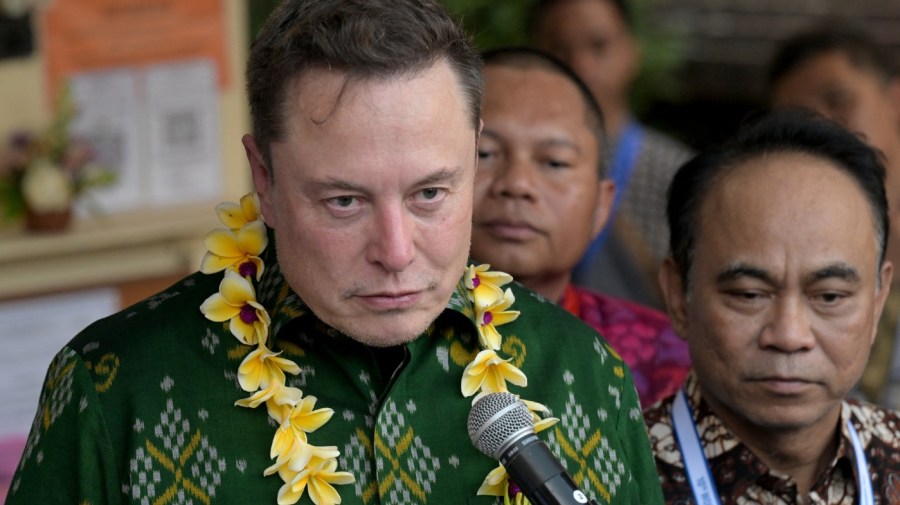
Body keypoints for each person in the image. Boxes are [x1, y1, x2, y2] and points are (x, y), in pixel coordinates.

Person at [7, 1, 664, 504]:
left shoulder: (583, 372)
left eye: (430, 192)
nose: (396, 251)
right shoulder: (115, 385)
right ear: (262, 178)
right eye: (344, 202)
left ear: (473, 155)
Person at [644, 109, 900, 503]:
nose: (789, 336)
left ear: (878, 301)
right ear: (679, 296)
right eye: (749, 294)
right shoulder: (610, 473)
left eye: (829, 297)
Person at [470, 47, 690, 408]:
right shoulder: (380, 344)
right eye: (485, 153)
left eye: (554, 162)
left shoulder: (665, 359)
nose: (517, 184)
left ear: (602, 205)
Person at [768, 23, 900, 409]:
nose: (823, 127)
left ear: (895, 100)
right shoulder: (779, 253)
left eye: (839, 101)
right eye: (799, 118)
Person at [528, 0, 694, 309]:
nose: (581, 66)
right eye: (559, 49)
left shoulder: (676, 172)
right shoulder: (514, 168)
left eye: (599, 46)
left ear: (633, 52)